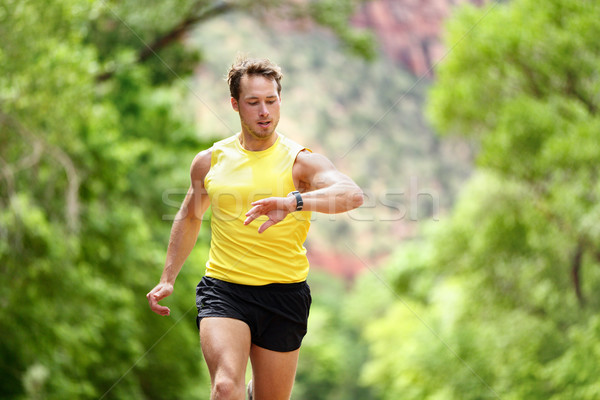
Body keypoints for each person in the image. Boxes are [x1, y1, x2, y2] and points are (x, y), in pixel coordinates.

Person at [147, 56, 363, 400]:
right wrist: (167, 277)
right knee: (224, 387)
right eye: (253, 103)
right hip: (225, 289)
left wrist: (293, 202)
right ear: (235, 105)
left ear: (280, 101)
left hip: (285, 294)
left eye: (271, 101)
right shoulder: (211, 160)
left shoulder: (299, 160)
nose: (264, 111)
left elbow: (351, 195)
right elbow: (190, 215)